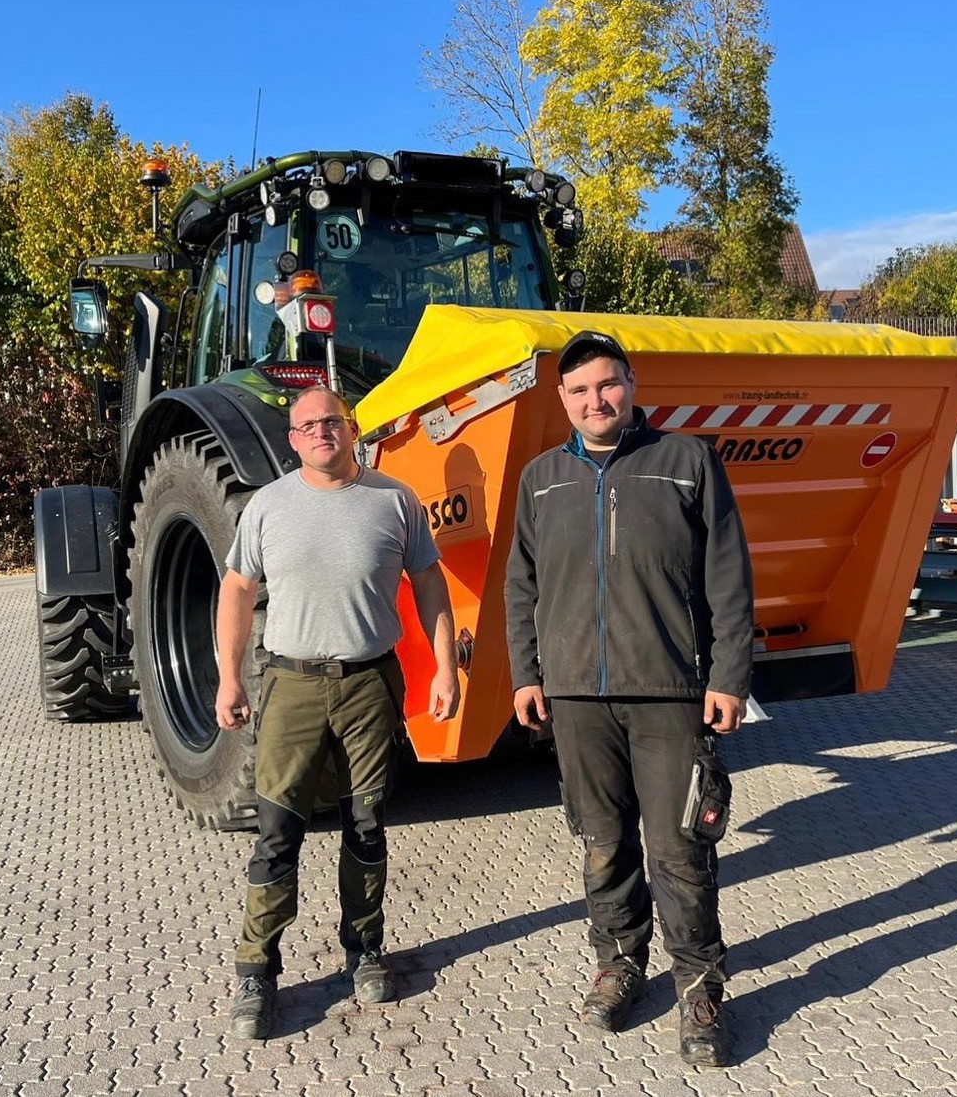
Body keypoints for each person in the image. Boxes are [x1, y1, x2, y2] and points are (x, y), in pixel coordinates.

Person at [504, 331, 754, 1068]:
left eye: (607, 384)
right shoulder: (540, 478)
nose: (596, 400)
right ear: (562, 400)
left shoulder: (685, 463)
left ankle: (700, 986)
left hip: (668, 691)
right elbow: (521, 586)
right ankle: (618, 962)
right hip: (576, 696)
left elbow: (728, 579)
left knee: (679, 847)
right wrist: (526, 673)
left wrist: (728, 676)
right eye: (580, 390)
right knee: (602, 841)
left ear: (631, 384)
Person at [216, 384, 460, 1040]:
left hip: (369, 683)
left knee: (367, 821)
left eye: (331, 421)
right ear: (293, 440)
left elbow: (430, 580)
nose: (321, 431)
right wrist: (226, 677)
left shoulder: (393, 500)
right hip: (290, 685)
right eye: (307, 425)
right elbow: (237, 588)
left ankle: (364, 948)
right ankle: (256, 969)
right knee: (277, 830)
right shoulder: (268, 507)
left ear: (349, 429)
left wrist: (444, 666)